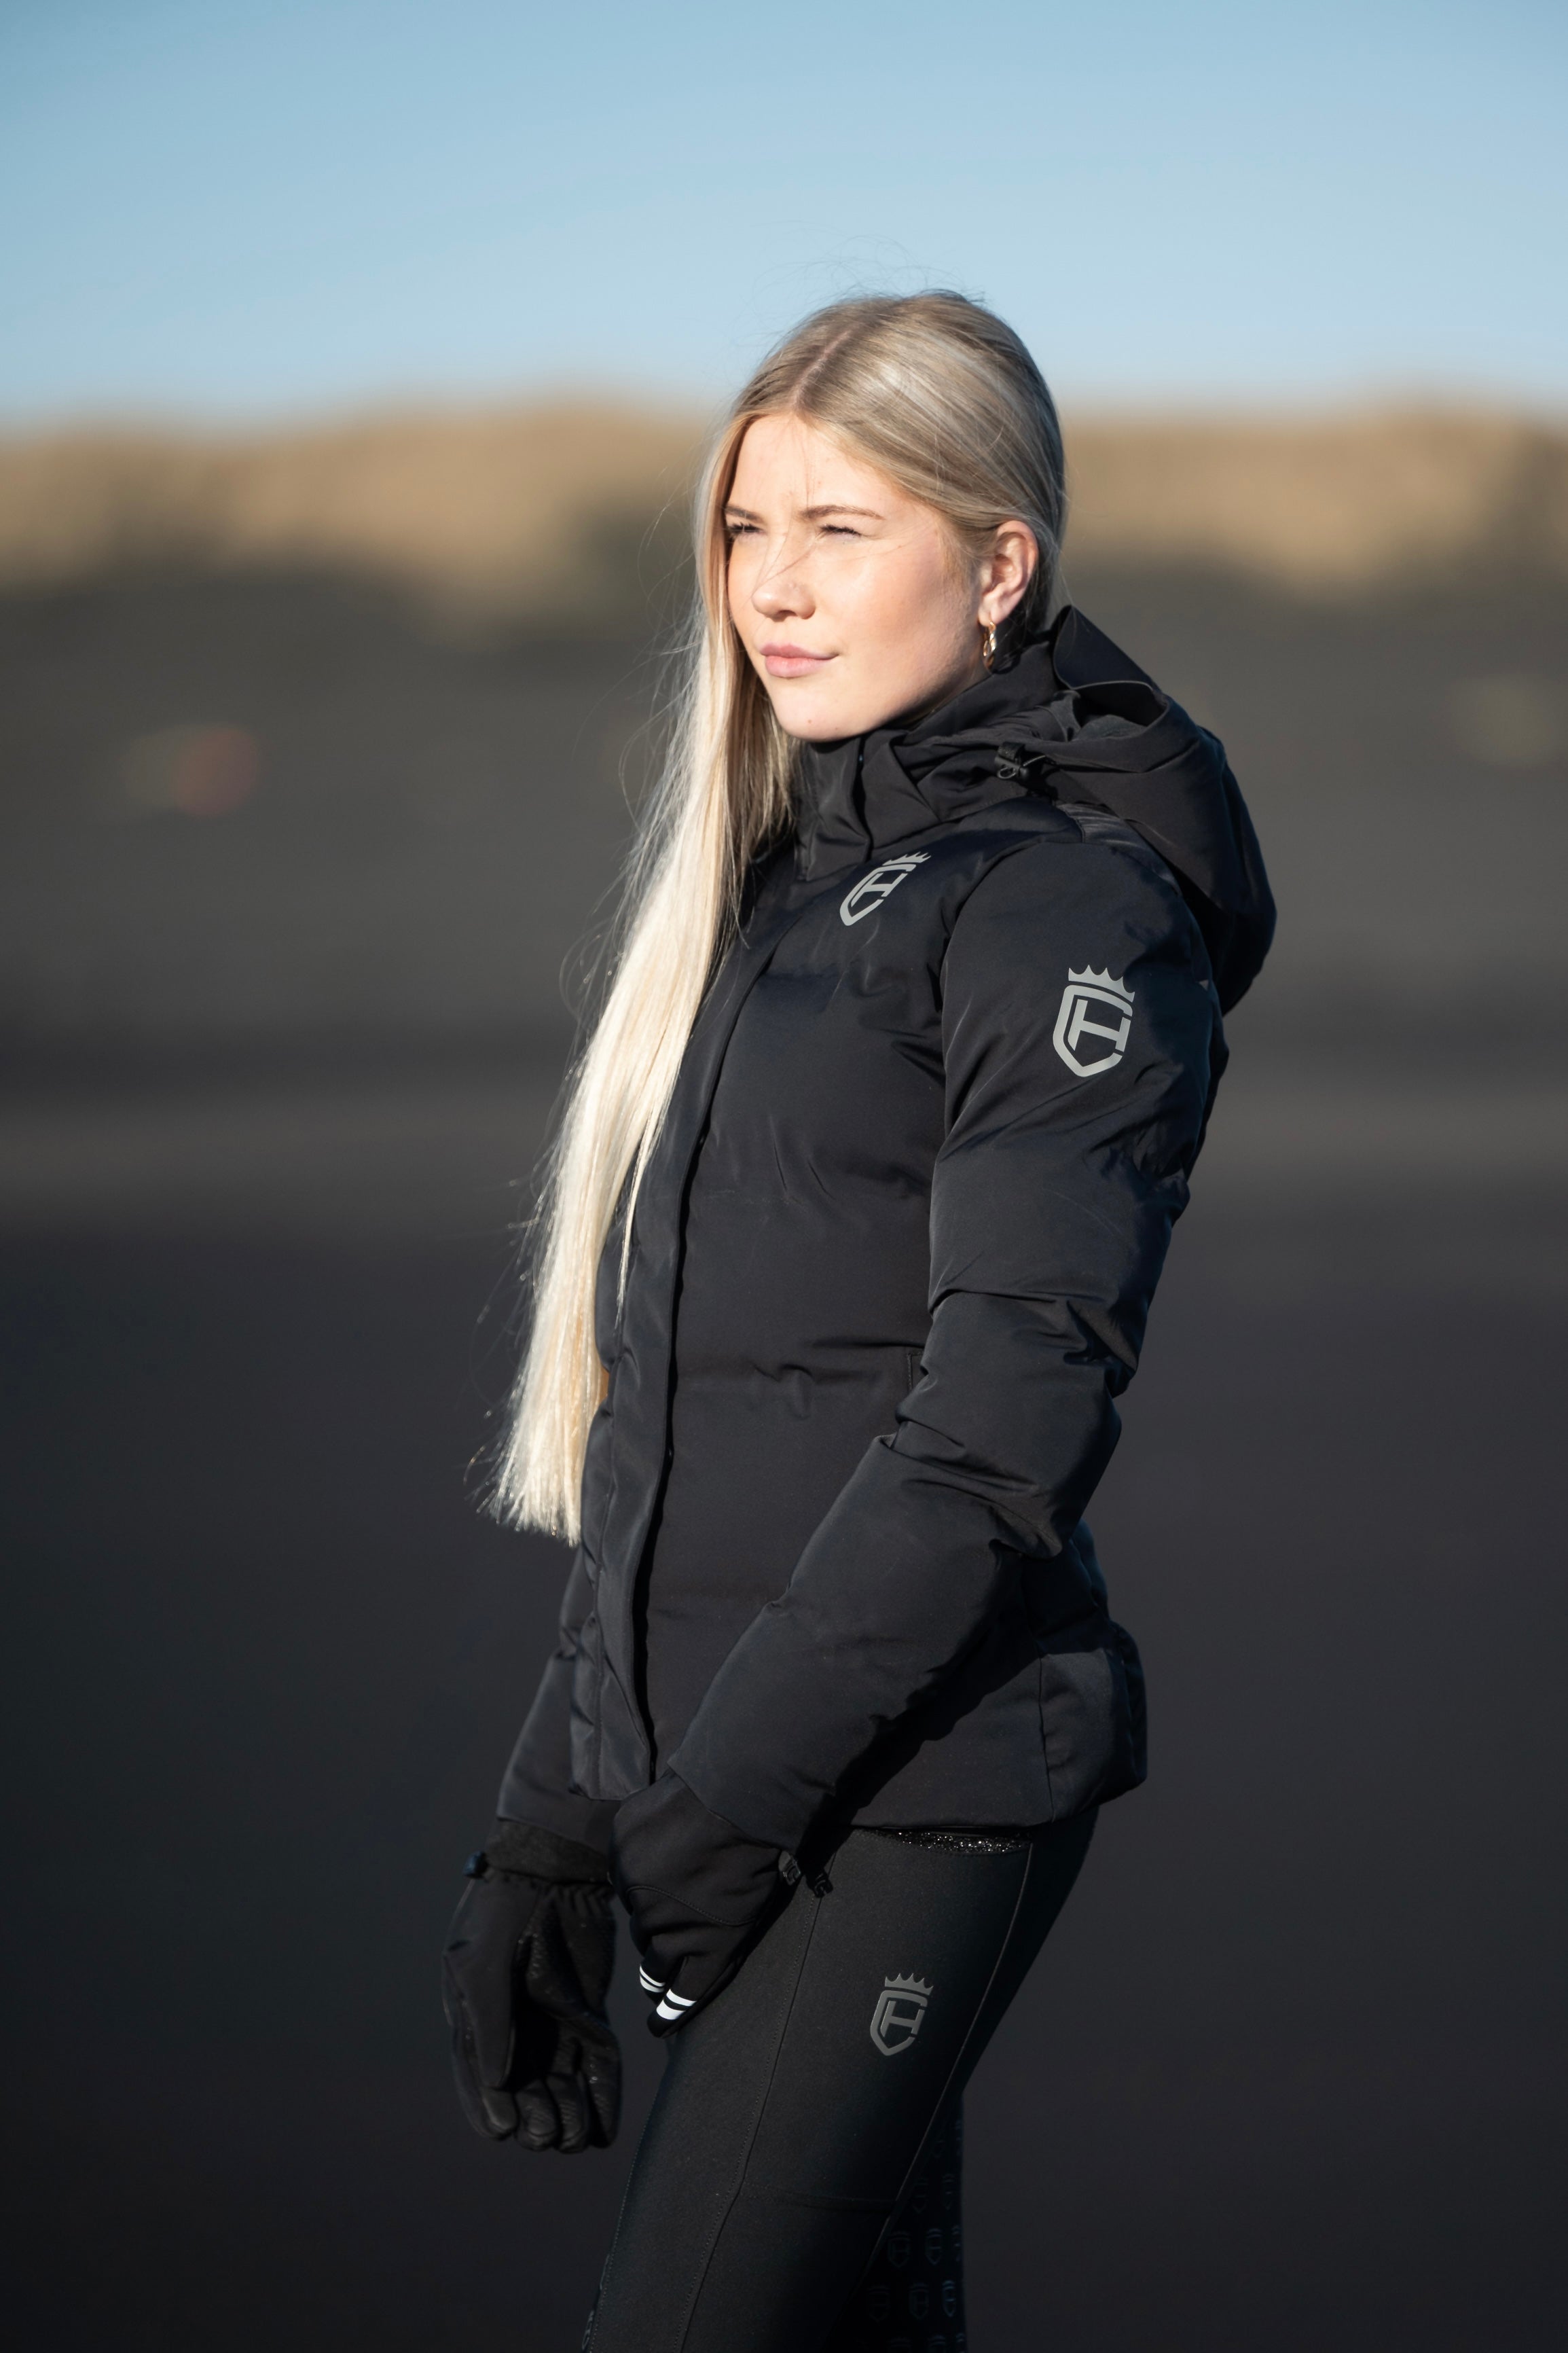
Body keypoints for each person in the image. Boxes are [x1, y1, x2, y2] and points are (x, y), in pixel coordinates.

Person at [442, 291, 1274, 2351]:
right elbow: (678, 1428)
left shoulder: (1066, 908)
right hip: (728, 1770)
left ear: (999, 566)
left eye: (842, 528)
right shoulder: (778, 897)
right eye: (748, 531)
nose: (775, 592)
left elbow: (1004, 1429)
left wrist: (722, 1804)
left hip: (917, 1786)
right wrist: (554, 1825)